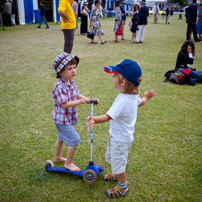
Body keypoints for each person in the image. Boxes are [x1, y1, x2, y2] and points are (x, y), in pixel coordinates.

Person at [86, 59, 156, 198]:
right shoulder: (133, 95)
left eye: (114, 75)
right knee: (115, 159)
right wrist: (146, 98)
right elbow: (140, 103)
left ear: (122, 82)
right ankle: (117, 175)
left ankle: (122, 187)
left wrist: (93, 119)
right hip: (121, 138)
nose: (112, 77)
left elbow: (107, 117)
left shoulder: (122, 101)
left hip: (120, 139)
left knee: (119, 164)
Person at [52, 52, 99, 172]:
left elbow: (77, 95)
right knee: (75, 139)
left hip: (65, 118)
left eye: (74, 68)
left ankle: (57, 157)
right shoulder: (59, 86)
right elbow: (64, 104)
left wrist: (89, 100)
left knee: (61, 137)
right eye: (69, 69)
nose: (73, 71)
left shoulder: (70, 82)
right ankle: (68, 163)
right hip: (61, 119)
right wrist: (80, 102)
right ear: (60, 72)